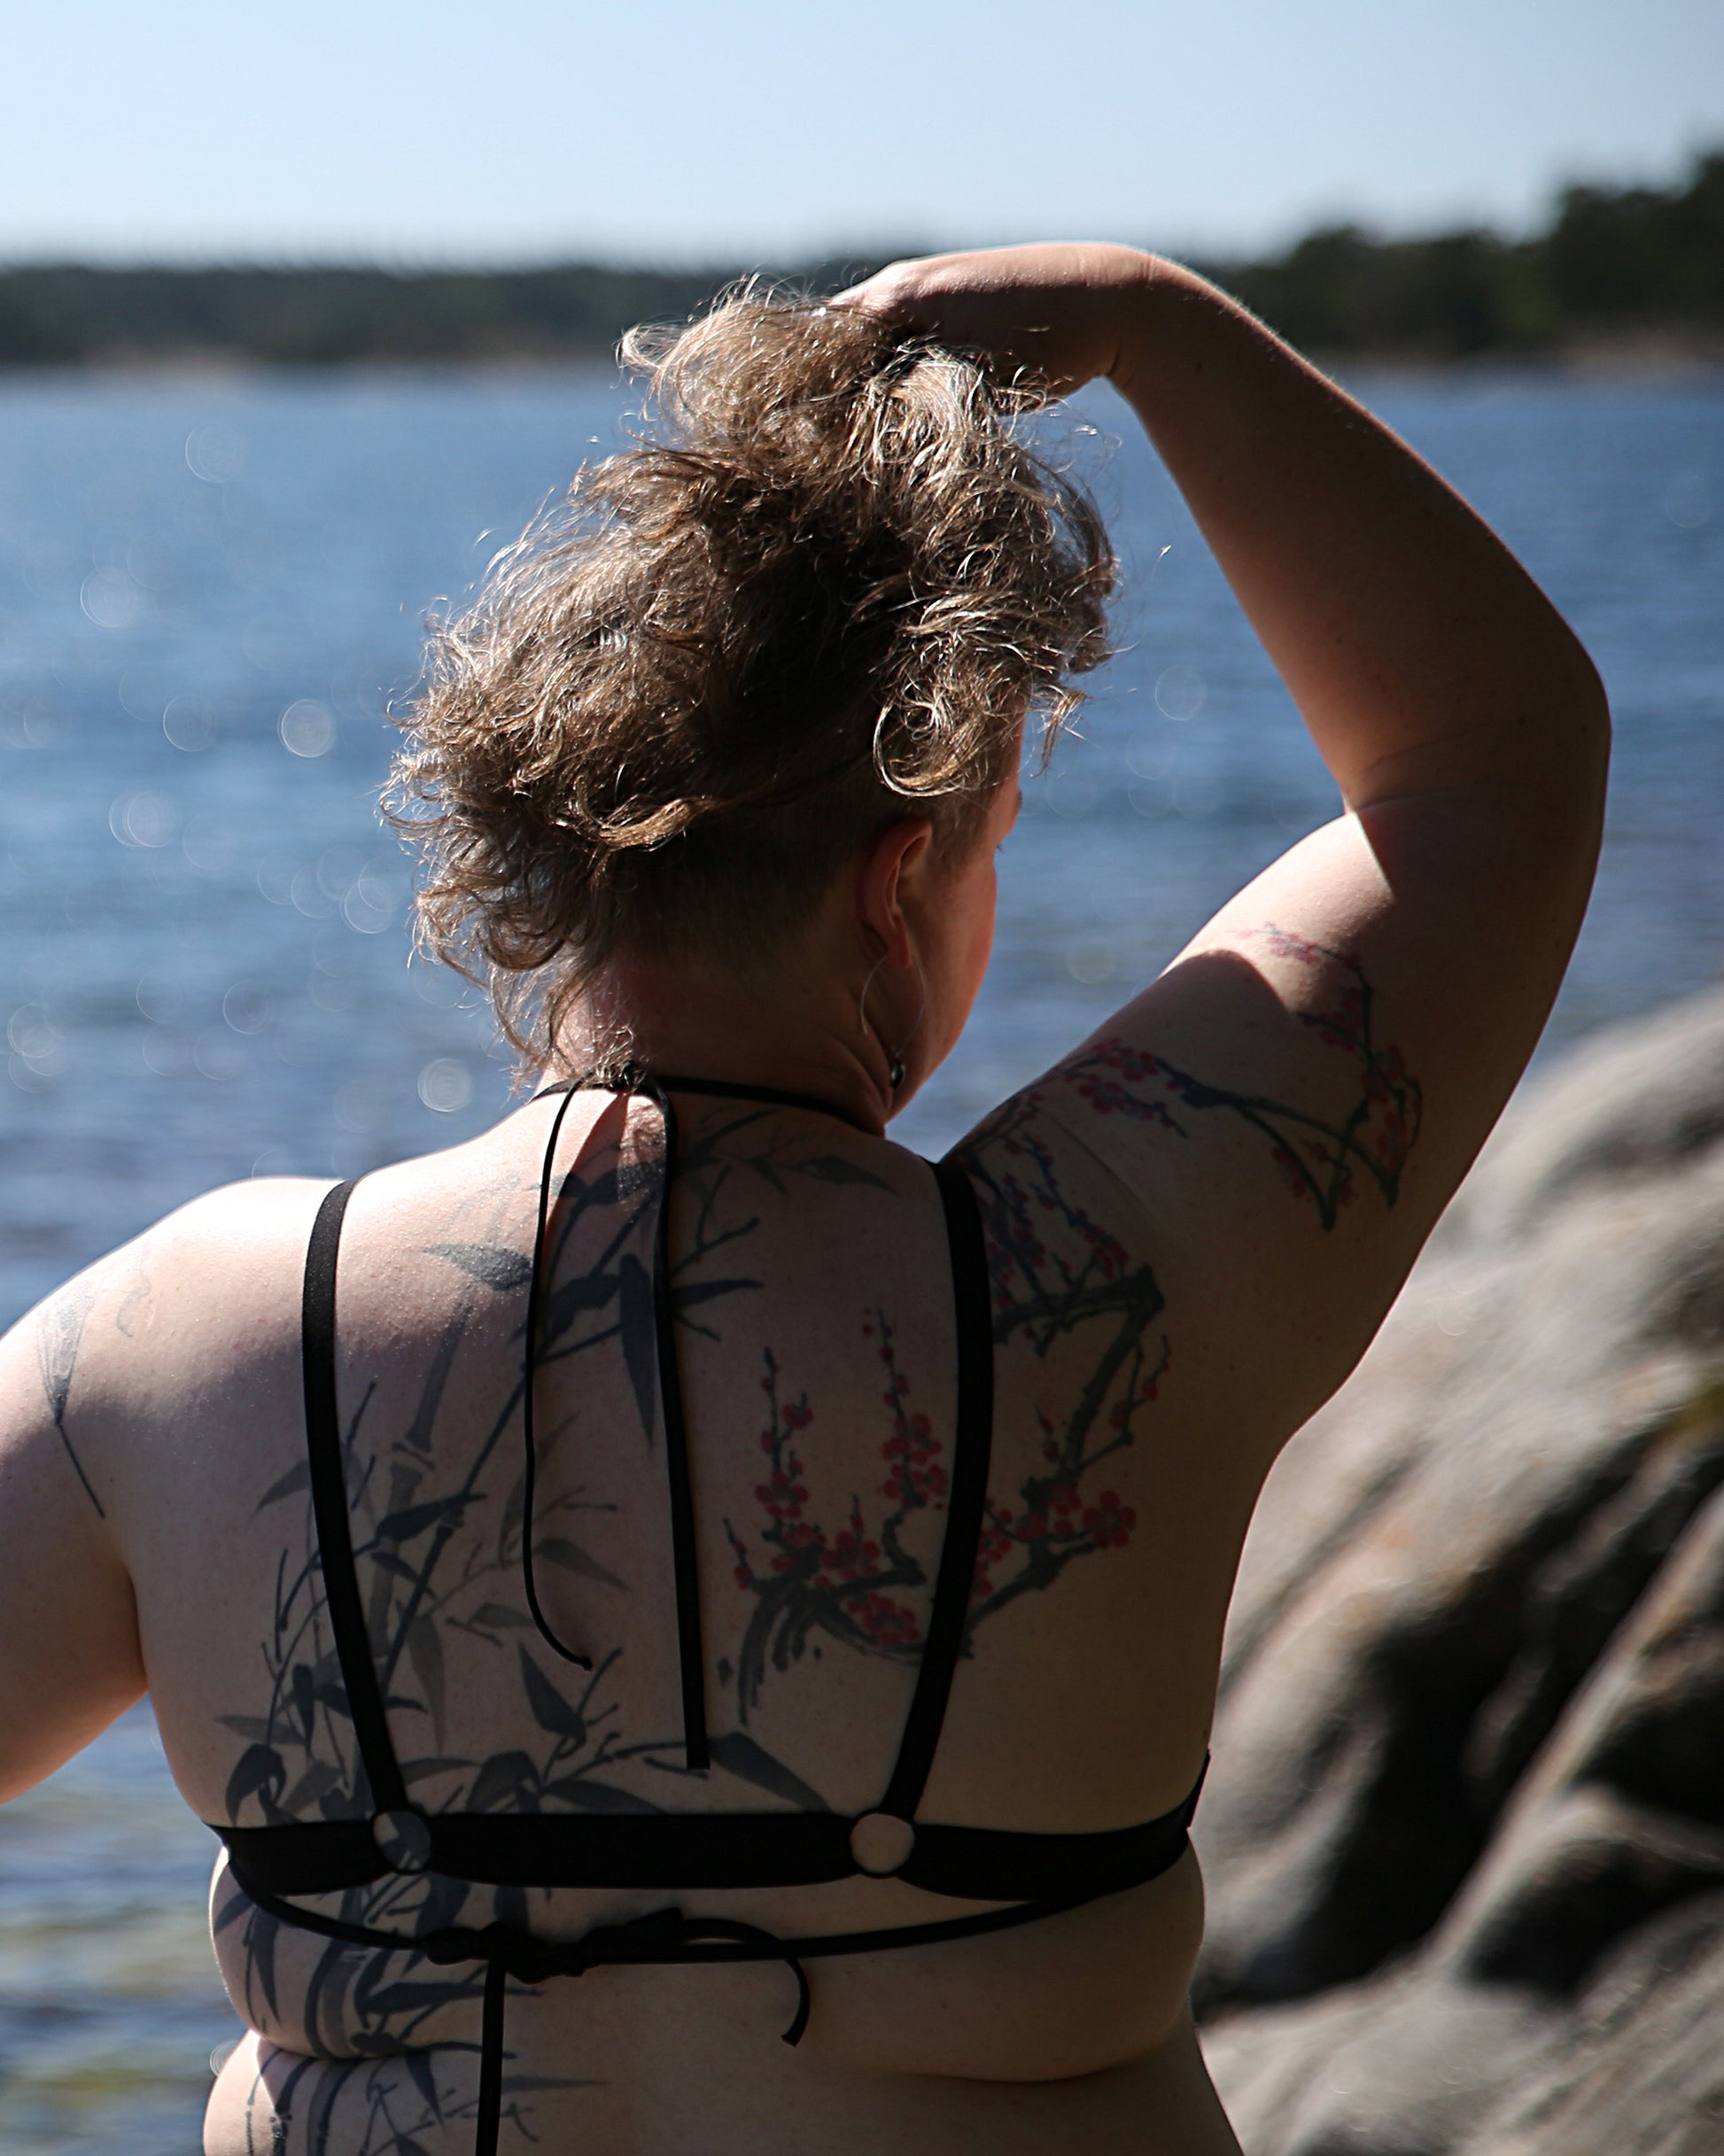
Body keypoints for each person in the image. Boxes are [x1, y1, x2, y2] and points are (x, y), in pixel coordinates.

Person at [0, 245, 1607, 2156]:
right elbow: (1489, 766)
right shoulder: (1126, 1273)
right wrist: (1145, 326)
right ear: (895, 872)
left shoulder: (181, 1333)